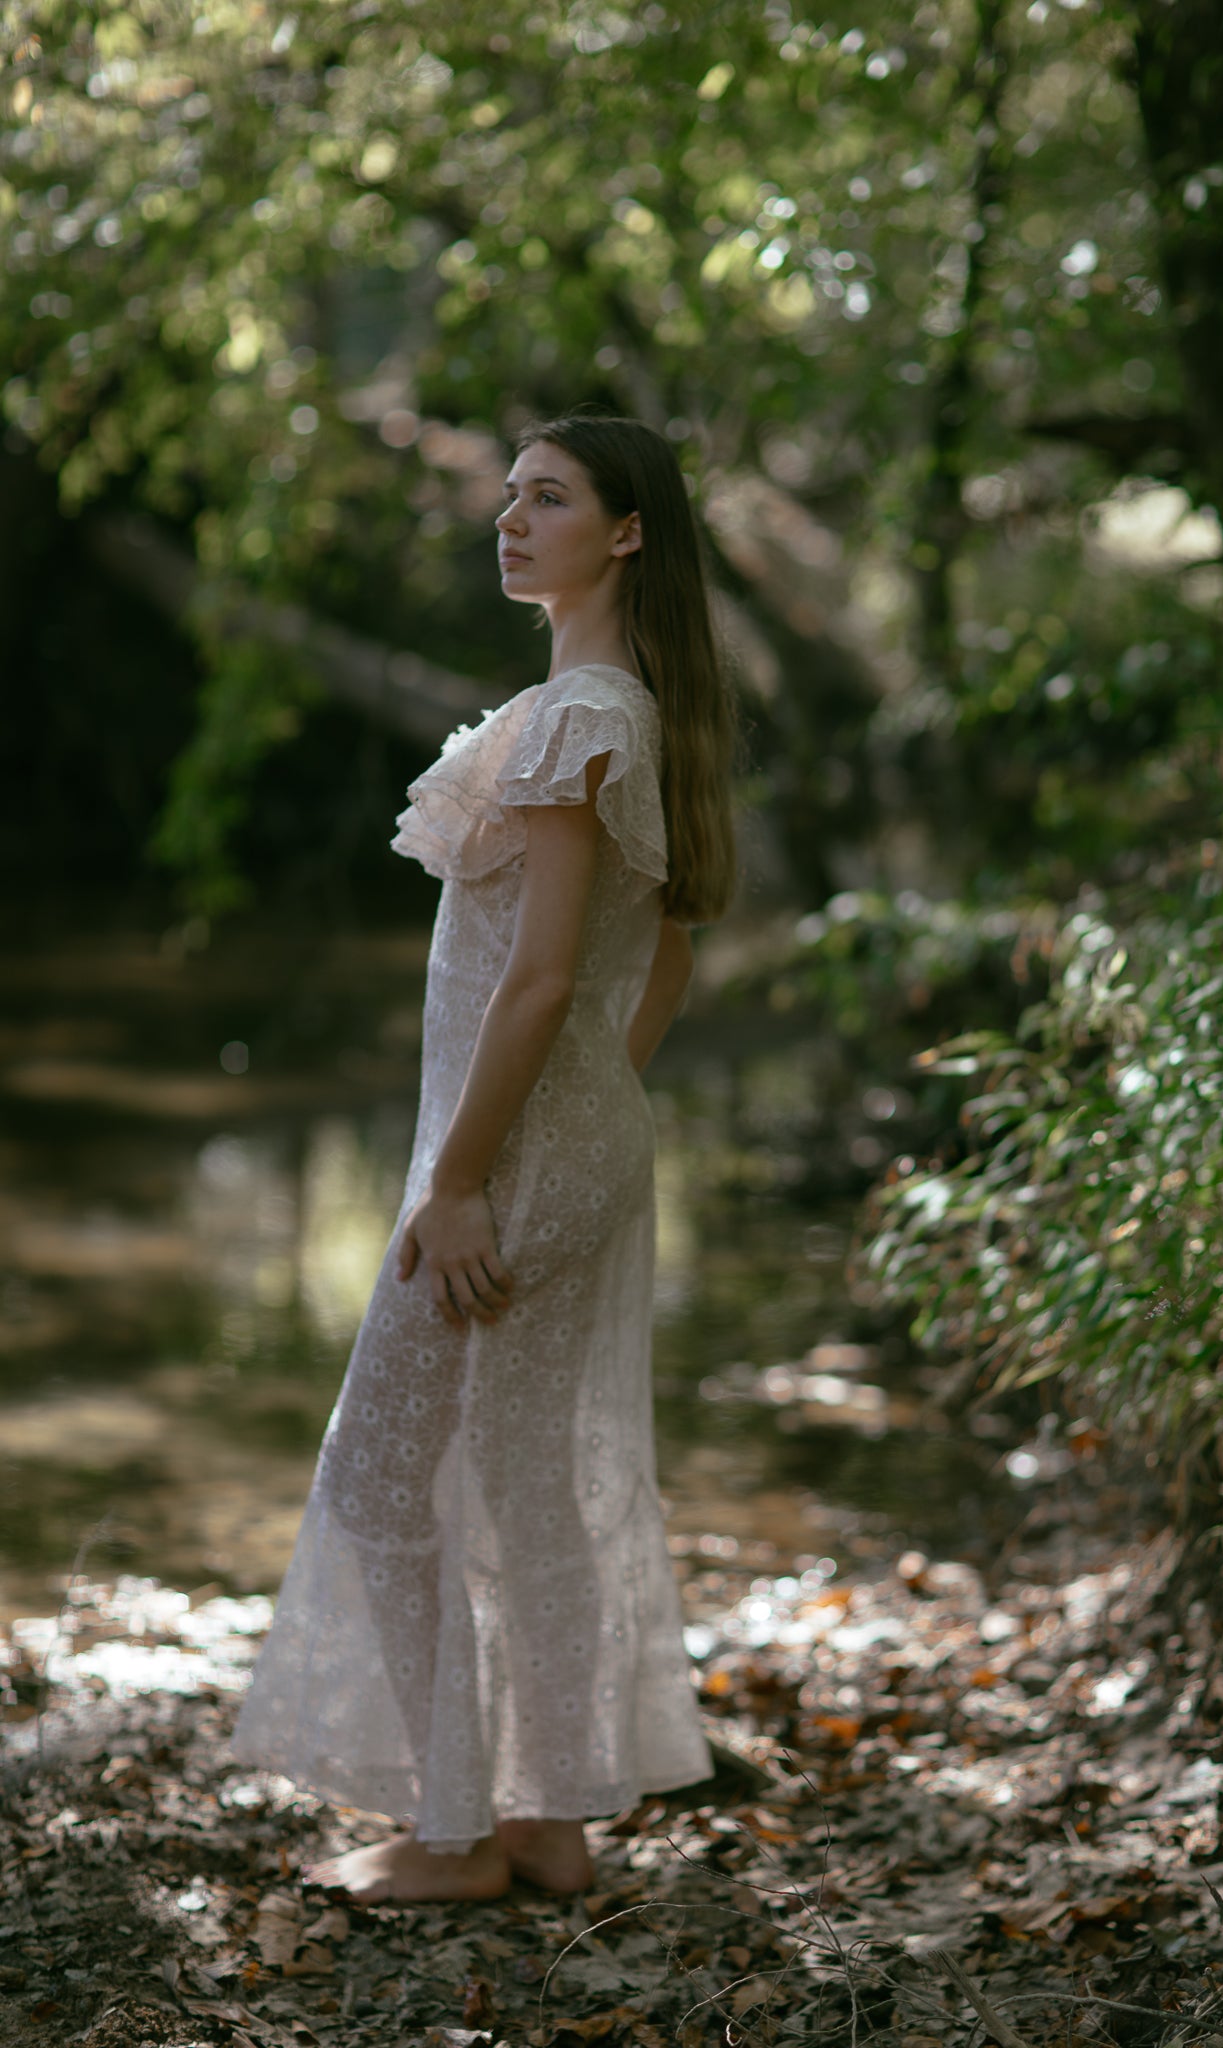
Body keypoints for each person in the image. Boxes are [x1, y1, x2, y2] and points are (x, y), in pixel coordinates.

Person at [227, 411, 738, 1905]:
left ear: (625, 531)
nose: (510, 520)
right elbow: (663, 966)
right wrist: (598, 1104)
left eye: (550, 498)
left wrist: (460, 1182)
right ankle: (551, 1829)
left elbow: (539, 975)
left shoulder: (588, 715)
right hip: (558, 1139)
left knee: (381, 1479)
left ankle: (457, 1835)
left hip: (510, 1157)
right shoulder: (620, 704)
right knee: (518, 1486)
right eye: (509, 495)